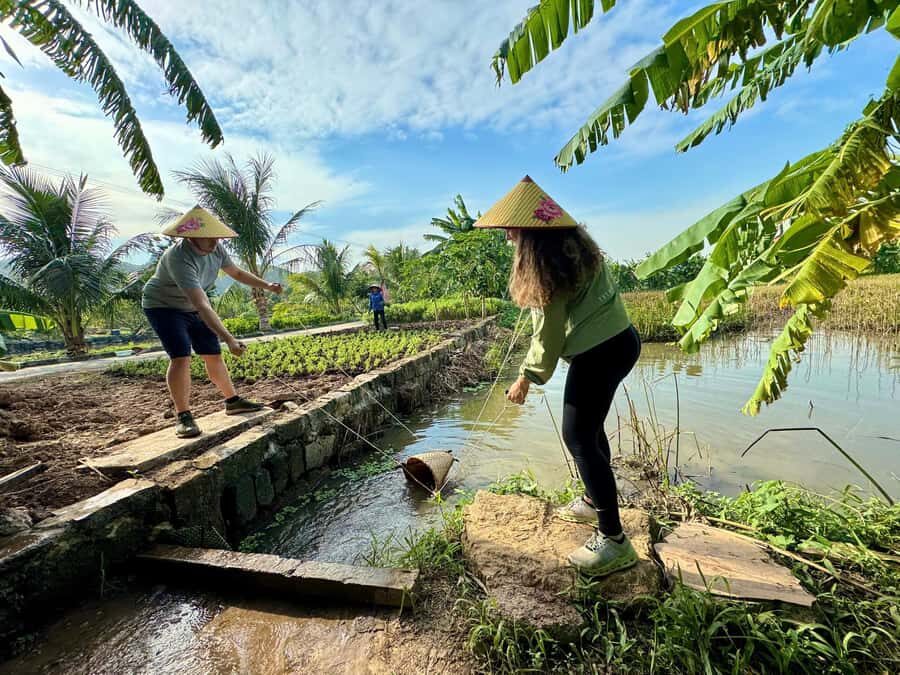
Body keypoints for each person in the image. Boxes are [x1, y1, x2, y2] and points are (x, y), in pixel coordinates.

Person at [474, 176, 642, 577]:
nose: (508, 237)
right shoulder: (575, 249)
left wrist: (526, 377)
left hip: (599, 352)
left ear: (531, 233)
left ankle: (614, 540)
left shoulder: (547, 265)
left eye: (512, 230)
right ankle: (594, 501)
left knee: (578, 437)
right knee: (590, 430)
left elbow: (547, 334)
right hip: (622, 342)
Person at [142, 206, 284, 438]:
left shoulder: (216, 249)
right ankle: (183, 416)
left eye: (217, 237)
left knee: (212, 354)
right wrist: (229, 338)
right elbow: (202, 304)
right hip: (164, 307)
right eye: (209, 237)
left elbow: (236, 273)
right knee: (181, 356)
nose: (215, 242)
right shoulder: (178, 258)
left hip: (194, 307)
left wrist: (266, 285)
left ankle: (233, 401)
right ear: (191, 237)